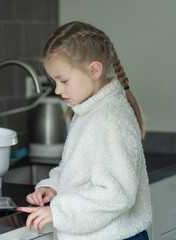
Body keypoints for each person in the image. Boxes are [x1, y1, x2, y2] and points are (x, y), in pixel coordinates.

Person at [17, 21, 152, 240]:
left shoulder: (110, 118)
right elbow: (78, 171)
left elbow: (116, 195)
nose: (58, 90)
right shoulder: (89, 110)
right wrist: (53, 188)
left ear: (94, 70)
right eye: (54, 81)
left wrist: (59, 211)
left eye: (63, 81)